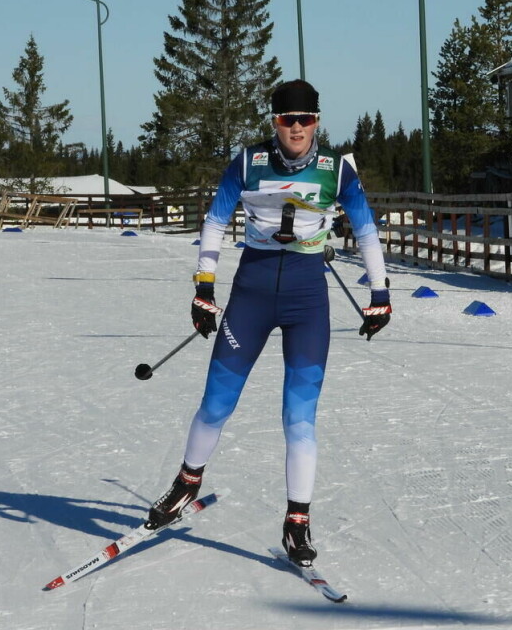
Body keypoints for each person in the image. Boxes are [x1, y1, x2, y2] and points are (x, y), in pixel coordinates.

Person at [144, 79, 391, 566]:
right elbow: (215, 221)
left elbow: (366, 230)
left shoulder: (336, 171)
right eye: (286, 120)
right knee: (216, 405)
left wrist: (380, 295)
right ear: (273, 122)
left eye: (305, 119)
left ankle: (296, 520)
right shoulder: (247, 163)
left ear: (317, 121)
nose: (296, 128)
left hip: (306, 302)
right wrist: (204, 285)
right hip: (251, 297)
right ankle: (186, 483)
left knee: (299, 419)